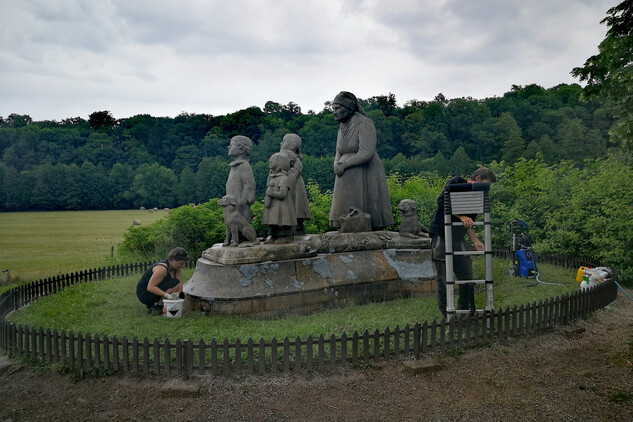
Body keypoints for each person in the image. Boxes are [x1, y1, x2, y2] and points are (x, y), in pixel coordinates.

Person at [428, 167, 497, 318]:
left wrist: (476, 241)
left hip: (458, 237)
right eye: (486, 184)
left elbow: (468, 223)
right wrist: (461, 216)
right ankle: (447, 313)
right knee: (443, 278)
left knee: (467, 275)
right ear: (477, 178)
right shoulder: (457, 181)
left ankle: (465, 311)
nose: (486, 188)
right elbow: (441, 201)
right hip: (441, 233)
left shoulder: (477, 196)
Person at [328, 91, 393, 231]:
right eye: (333, 109)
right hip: (345, 174)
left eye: (337, 108)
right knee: (344, 209)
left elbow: (366, 152)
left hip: (365, 172)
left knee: (364, 207)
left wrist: (345, 164)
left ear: (349, 107)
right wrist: (336, 163)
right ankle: (346, 225)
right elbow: (339, 150)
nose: (334, 112)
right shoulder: (342, 125)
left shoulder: (364, 123)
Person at [136, 247, 190, 314]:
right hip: (144, 294)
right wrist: (166, 295)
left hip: (151, 292)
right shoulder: (162, 268)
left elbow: (180, 283)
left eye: (184, 263)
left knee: (180, 293)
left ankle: (152, 306)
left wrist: (177, 293)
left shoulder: (176, 268)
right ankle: (158, 307)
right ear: (172, 260)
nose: (183, 266)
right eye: (181, 263)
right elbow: (150, 287)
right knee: (174, 283)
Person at [224, 135, 256, 246]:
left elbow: (249, 184)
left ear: (241, 149)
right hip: (232, 204)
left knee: (242, 222)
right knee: (231, 221)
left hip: (240, 204)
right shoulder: (234, 167)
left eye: (231, 145)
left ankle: (243, 239)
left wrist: (244, 199)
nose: (228, 147)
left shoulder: (245, 166)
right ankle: (233, 239)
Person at [279, 133, 311, 235]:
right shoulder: (282, 157)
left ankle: (297, 229)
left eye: (284, 141)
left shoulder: (295, 159)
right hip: (288, 187)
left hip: (295, 188)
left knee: (296, 209)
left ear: (292, 146)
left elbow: (294, 174)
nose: (281, 143)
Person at [262, 152, 297, 243]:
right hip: (273, 204)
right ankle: (273, 236)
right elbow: (268, 184)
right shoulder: (272, 176)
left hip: (282, 205)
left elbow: (283, 194)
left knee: (281, 221)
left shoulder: (284, 178)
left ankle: (285, 236)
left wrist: (271, 193)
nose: (270, 160)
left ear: (280, 162)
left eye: (272, 159)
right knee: (273, 221)